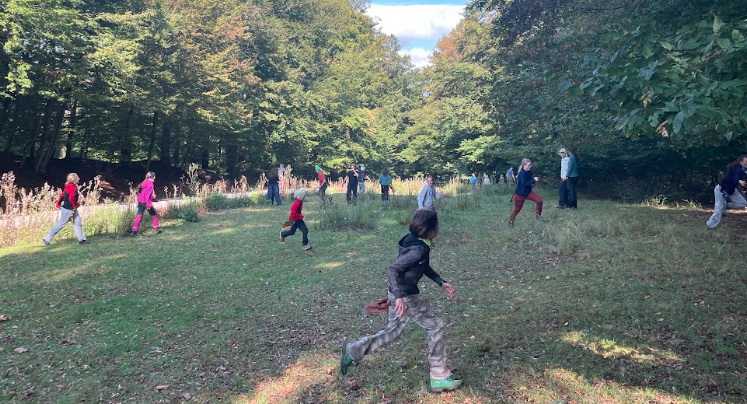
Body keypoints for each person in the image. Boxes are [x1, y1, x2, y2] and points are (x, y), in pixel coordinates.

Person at [340, 208, 461, 393]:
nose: (439, 228)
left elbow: (422, 266)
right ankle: (439, 376)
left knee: (393, 331)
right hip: (405, 296)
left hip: (398, 293)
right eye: (437, 225)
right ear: (430, 229)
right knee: (435, 326)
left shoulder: (414, 240)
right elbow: (393, 270)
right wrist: (399, 298)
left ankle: (353, 350)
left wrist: (441, 282)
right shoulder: (418, 249)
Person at [42, 173, 88, 245]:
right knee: (61, 224)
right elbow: (71, 198)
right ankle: (46, 239)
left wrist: (58, 203)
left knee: (77, 222)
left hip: (69, 208)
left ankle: (82, 239)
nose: (79, 179)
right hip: (69, 209)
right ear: (74, 180)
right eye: (78, 178)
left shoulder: (68, 186)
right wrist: (74, 206)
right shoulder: (72, 187)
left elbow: (62, 195)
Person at [706, 154, 747, 228]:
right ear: (741, 162)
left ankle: (726, 205)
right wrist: (739, 181)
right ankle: (710, 225)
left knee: (743, 204)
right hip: (721, 189)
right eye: (746, 161)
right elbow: (734, 178)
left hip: (731, 190)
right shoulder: (736, 169)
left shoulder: (741, 169)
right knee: (718, 210)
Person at [508, 158, 543, 227]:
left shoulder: (529, 172)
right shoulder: (522, 174)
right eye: (528, 165)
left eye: (530, 165)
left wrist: (533, 181)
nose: (530, 166)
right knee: (517, 209)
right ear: (524, 165)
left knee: (539, 201)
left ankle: (538, 215)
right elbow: (524, 184)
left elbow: (529, 181)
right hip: (520, 194)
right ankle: (511, 221)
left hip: (528, 192)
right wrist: (533, 180)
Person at [131, 171, 161, 237]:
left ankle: (134, 231)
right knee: (154, 215)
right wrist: (148, 205)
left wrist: (154, 200)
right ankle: (156, 228)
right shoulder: (150, 184)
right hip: (146, 202)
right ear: (154, 177)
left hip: (140, 202)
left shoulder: (143, 183)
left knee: (139, 216)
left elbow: (143, 194)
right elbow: (147, 195)